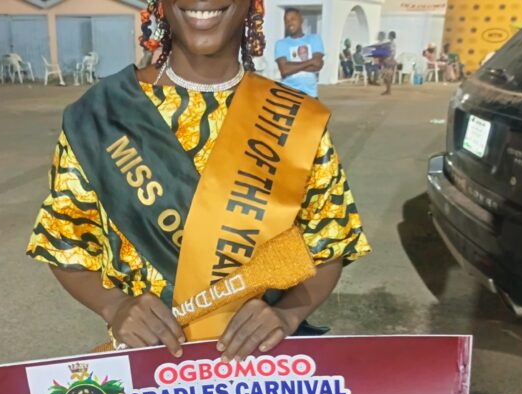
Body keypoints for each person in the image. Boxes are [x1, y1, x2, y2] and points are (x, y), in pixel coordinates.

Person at [26, 0, 370, 362]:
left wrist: (287, 314)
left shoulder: (294, 119)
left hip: (262, 371)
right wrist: (114, 306)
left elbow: (329, 247)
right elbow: (65, 242)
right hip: (149, 364)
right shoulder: (101, 115)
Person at [274, 8, 325, 97]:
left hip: (311, 95)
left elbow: (317, 64)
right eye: (286, 21)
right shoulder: (281, 44)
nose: (290, 23)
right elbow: (284, 70)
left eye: (293, 19)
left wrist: (291, 67)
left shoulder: (314, 39)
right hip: (289, 95)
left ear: (301, 20)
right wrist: (310, 61)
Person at [380, 30, 397, 95]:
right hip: (388, 60)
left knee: (388, 76)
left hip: (388, 61)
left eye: (389, 35)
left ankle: (388, 90)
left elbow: (391, 53)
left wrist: (386, 59)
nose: (388, 36)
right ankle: (387, 90)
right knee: (386, 77)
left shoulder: (391, 44)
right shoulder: (391, 43)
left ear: (391, 36)